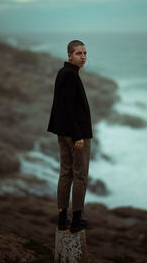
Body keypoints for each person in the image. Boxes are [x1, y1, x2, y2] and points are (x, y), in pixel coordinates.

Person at [47, 40, 93, 232]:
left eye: (84, 53)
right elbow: (66, 108)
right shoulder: (71, 76)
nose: (82, 57)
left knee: (65, 173)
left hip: (63, 132)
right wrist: (78, 136)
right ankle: (75, 220)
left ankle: (62, 217)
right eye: (78, 54)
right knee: (80, 176)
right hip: (75, 135)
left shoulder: (63, 73)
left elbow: (61, 106)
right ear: (69, 55)